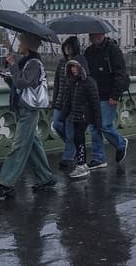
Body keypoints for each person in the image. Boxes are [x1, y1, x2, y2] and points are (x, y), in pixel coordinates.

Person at [0, 33, 57, 198]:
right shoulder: (26, 62)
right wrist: (7, 76)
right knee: (33, 144)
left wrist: (13, 65)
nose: (19, 44)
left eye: (21, 42)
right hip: (22, 107)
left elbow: (22, 82)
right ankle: (45, 177)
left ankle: (6, 183)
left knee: (19, 146)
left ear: (28, 45)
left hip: (28, 109)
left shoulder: (34, 63)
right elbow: (18, 83)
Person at [83, 33, 129, 169]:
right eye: (91, 35)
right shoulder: (89, 51)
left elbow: (120, 73)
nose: (92, 37)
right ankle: (98, 158)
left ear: (102, 34)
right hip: (93, 94)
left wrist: (115, 95)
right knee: (93, 128)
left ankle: (121, 143)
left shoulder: (113, 49)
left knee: (104, 125)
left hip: (108, 94)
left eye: (95, 34)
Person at [60, 58, 102, 178]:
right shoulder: (73, 82)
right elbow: (68, 101)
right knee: (77, 138)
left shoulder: (89, 82)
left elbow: (95, 102)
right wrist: (63, 116)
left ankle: (82, 164)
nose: (73, 70)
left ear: (81, 67)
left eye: (75, 67)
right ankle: (81, 163)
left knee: (79, 138)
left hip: (84, 115)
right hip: (75, 115)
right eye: (71, 67)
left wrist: (98, 122)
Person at [51, 36, 83, 172]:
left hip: (73, 101)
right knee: (57, 124)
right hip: (60, 101)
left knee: (70, 131)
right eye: (65, 47)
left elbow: (83, 81)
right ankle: (73, 147)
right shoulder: (61, 62)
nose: (67, 49)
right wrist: (54, 100)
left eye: (69, 47)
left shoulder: (79, 62)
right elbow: (57, 82)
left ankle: (68, 157)